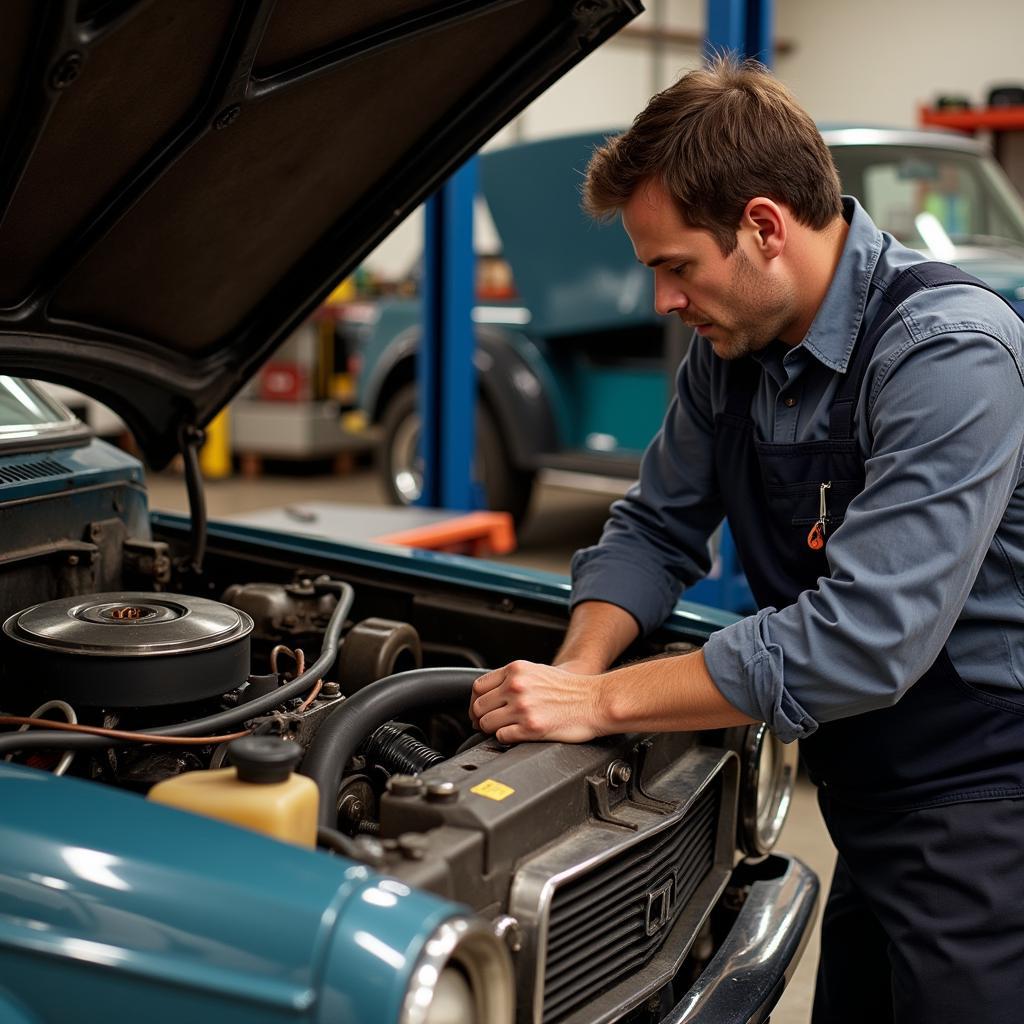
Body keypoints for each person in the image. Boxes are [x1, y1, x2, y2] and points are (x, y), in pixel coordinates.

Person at [469, 57, 1024, 1024]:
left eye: (674, 266)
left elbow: (862, 639)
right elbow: (653, 527)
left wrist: (603, 701)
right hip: (870, 797)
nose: (663, 302)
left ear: (764, 227)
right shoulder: (733, 355)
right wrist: (565, 680)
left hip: (986, 814)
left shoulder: (945, 356)